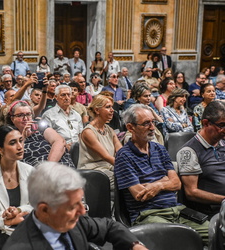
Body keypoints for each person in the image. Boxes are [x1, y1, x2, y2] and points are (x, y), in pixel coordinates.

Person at [114, 104, 209, 244]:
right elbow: (140, 194)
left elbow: (176, 184)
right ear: (130, 128)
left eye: (153, 122)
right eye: (146, 123)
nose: (153, 127)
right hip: (149, 214)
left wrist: (157, 186)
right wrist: (166, 181)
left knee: (217, 232)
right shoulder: (124, 156)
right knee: (181, 242)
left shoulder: (159, 149)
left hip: (177, 210)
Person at [3, 162, 148, 250]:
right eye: (72, 206)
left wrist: (135, 245)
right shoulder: (21, 246)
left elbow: (109, 226)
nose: (82, 210)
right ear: (44, 210)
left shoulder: (68, 220)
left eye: (81, 201)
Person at [177, 100, 225, 218]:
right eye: (222, 125)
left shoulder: (222, 142)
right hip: (213, 212)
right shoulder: (189, 152)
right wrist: (224, 200)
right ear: (205, 123)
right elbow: (191, 193)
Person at [6, 100, 75, 168]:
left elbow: (59, 141)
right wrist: (23, 137)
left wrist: (48, 167)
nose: (25, 118)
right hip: (34, 171)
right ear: (12, 119)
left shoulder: (40, 127)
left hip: (56, 165)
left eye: (28, 114)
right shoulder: (10, 135)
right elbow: (12, 156)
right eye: (20, 115)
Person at [78, 95, 122, 189]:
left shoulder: (109, 129)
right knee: (124, 178)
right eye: (108, 107)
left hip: (108, 168)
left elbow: (121, 152)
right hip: (94, 172)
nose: (112, 110)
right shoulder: (88, 132)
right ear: (97, 110)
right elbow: (106, 157)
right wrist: (127, 166)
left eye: (112, 107)